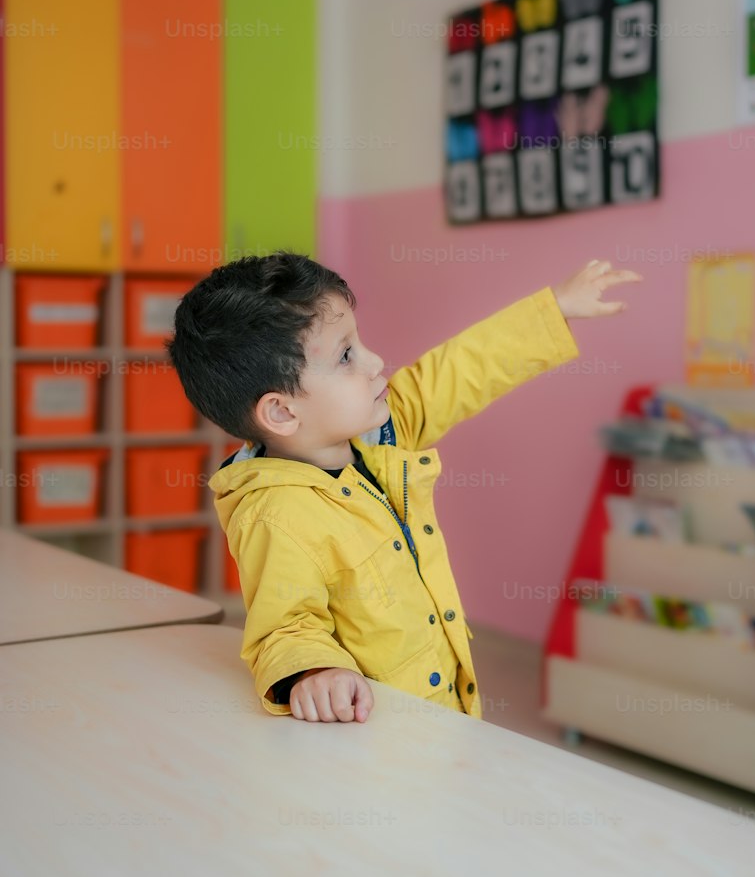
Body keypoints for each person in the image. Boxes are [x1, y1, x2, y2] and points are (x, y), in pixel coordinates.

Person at [167, 252, 641, 725]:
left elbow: (458, 371)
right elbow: (286, 624)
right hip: (379, 733)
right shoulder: (275, 514)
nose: (376, 361)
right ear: (283, 412)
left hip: (445, 710)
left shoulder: (382, 435)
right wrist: (317, 671)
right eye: (346, 355)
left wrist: (554, 308)